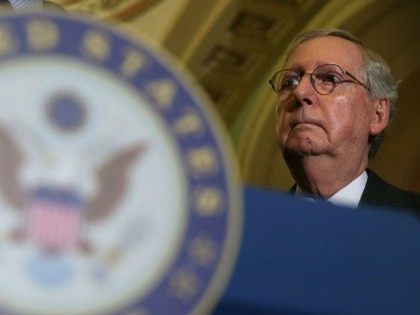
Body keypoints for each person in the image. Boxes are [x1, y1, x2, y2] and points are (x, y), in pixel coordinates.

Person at [269, 28, 420, 212]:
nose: (299, 92)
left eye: (330, 78)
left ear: (377, 115)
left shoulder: (412, 221)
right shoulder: (241, 231)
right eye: (290, 82)